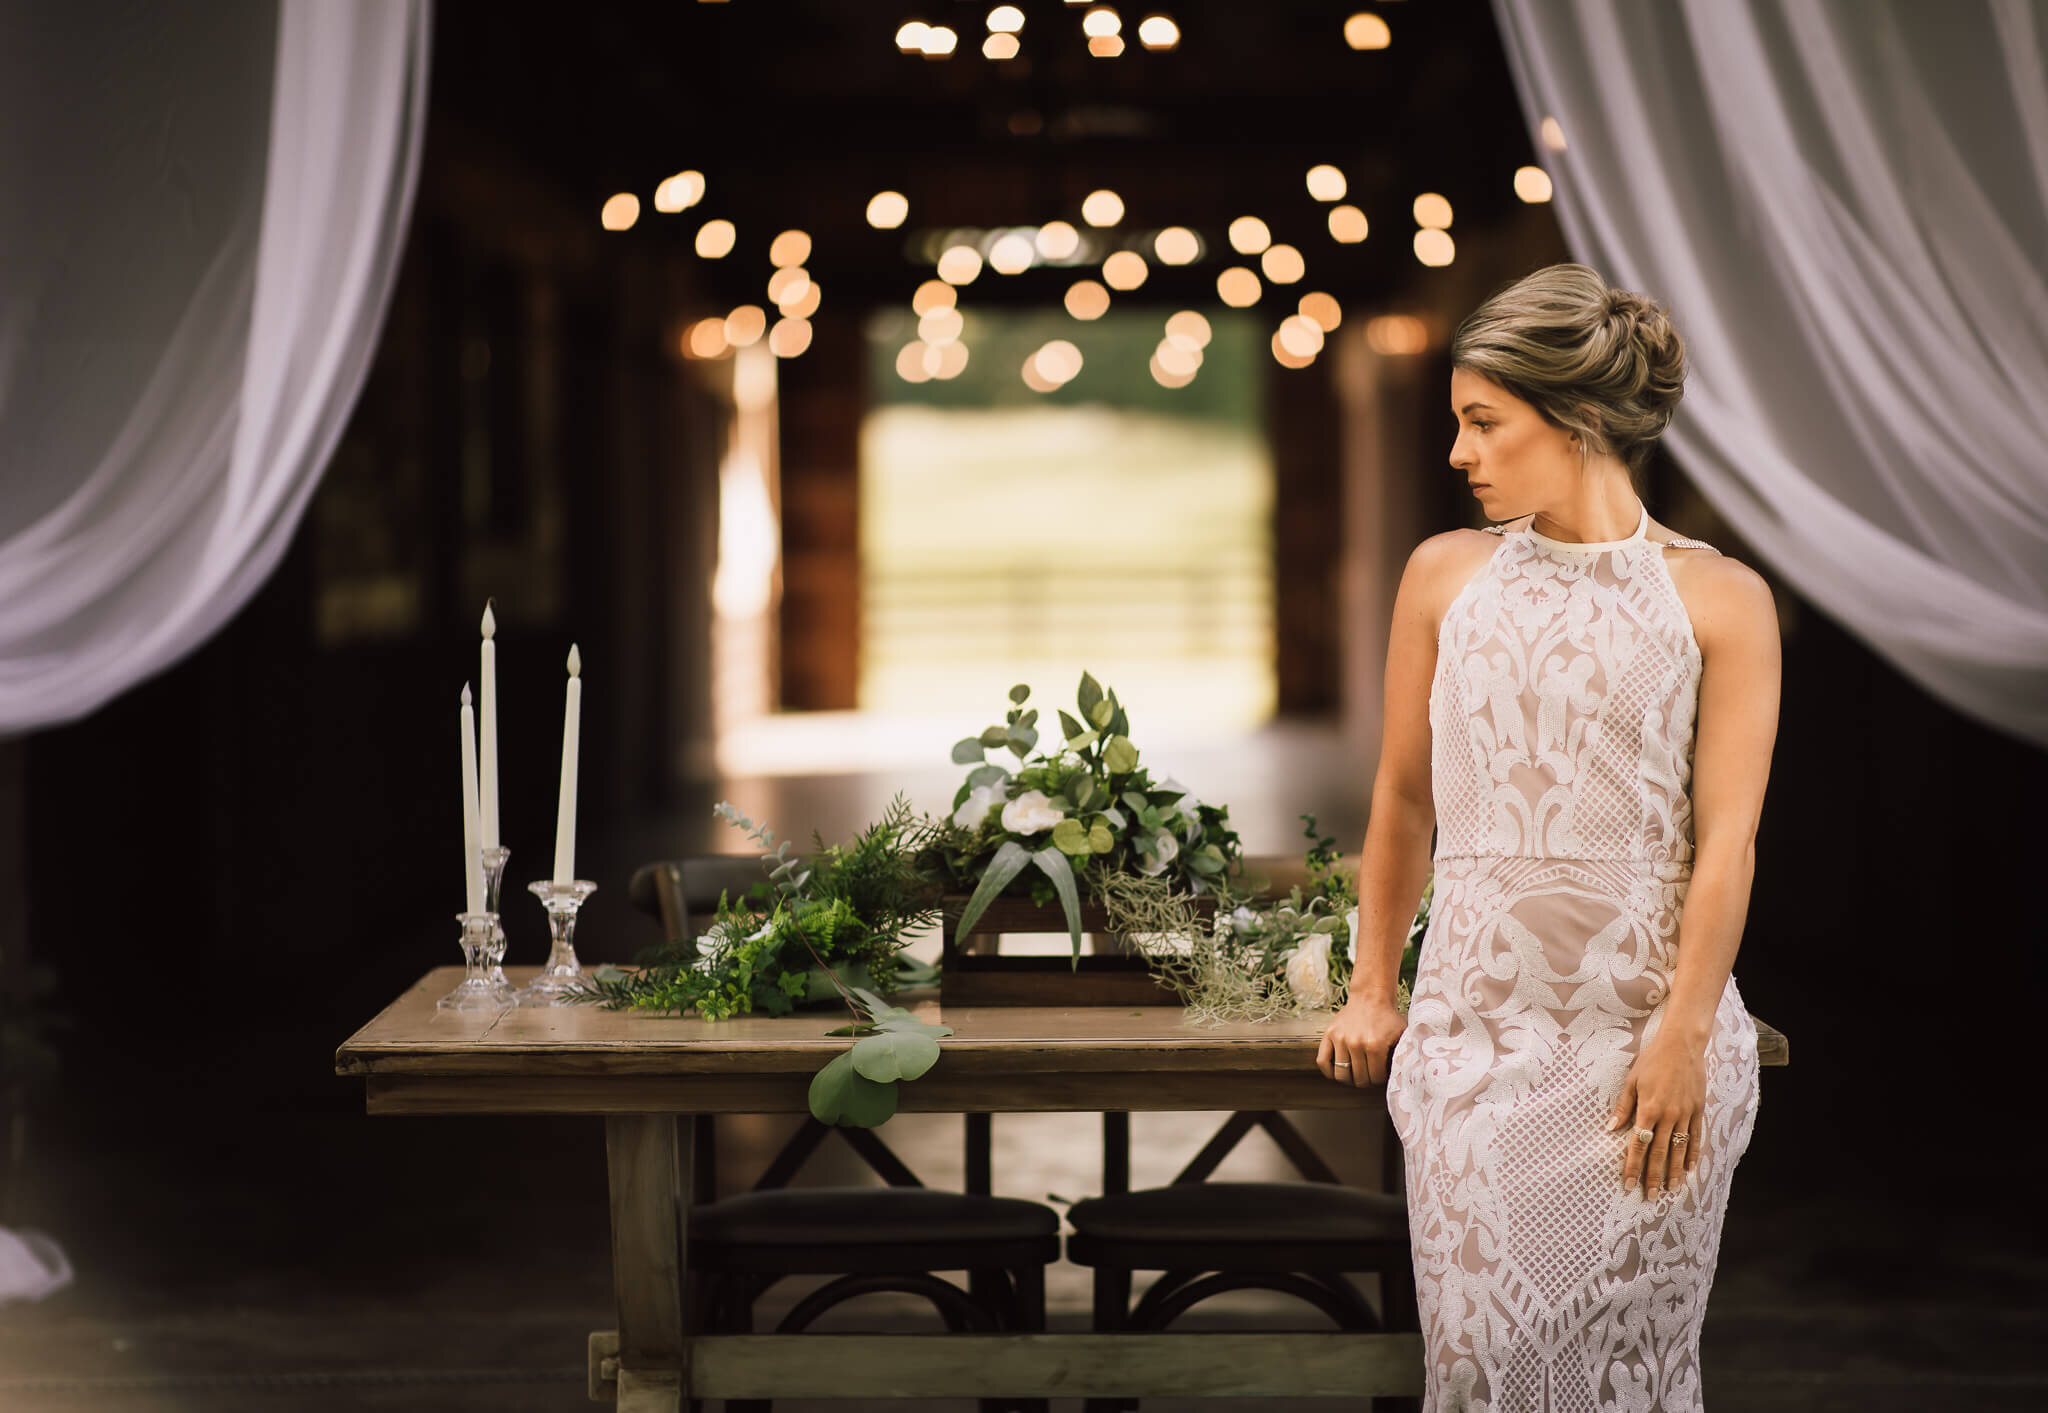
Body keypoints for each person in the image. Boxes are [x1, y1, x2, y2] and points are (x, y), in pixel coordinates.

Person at [1316, 262, 1781, 1410]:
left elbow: (1725, 844)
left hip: (1645, 1059)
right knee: (1477, 1372)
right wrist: (1374, 986)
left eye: (1483, 422)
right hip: (1473, 1044)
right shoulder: (1442, 577)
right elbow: (1401, 801)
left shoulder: (1720, 599)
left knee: (1635, 1374)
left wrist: (1680, 1038)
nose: (1458, 452)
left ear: (1573, 420)